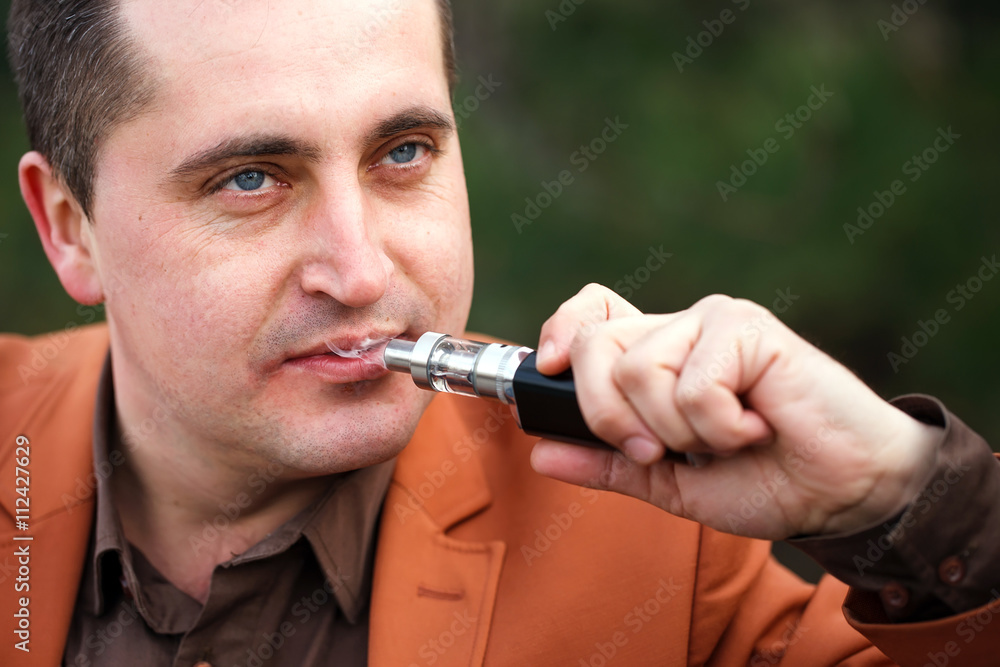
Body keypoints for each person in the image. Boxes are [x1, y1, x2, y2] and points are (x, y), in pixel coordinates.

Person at [1, 1, 997, 665]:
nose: (362, 272)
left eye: (403, 152)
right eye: (250, 179)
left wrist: (908, 499)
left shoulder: (654, 545)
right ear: (69, 227)